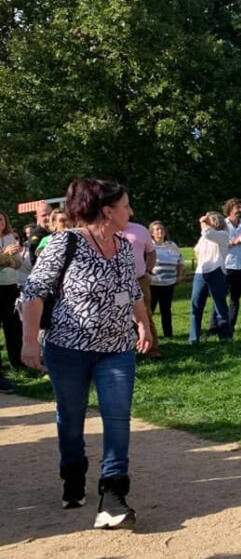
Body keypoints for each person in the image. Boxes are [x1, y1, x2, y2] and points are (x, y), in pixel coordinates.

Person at [19, 178, 153, 529]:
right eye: (126, 205)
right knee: (72, 418)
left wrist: (143, 324)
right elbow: (33, 291)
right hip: (68, 349)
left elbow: (130, 290)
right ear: (107, 210)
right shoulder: (66, 242)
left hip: (116, 349)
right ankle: (73, 475)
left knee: (118, 417)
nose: (131, 211)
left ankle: (113, 494)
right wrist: (30, 340)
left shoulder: (124, 246)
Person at [189, 212, 232, 345]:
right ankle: (193, 338)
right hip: (201, 272)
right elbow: (196, 249)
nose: (206, 223)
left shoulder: (223, 235)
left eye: (209, 221)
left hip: (217, 271)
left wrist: (202, 221)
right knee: (196, 306)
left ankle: (225, 337)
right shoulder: (204, 237)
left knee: (220, 306)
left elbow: (208, 233)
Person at [122, 218, 161, 358]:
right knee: (120, 315)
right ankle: (125, 350)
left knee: (145, 313)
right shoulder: (107, 230)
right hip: (118, 283)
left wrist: (148, 271)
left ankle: (153, 349)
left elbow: (151, 252)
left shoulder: (140, 230)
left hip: (139, 280)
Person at [214, 198, 241, 333]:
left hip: (240, 266)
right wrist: (235, 242)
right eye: (237, 208)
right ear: (230, 209)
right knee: (220, 297)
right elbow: (217, 244)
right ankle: (215, 327)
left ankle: (230, 325)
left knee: (235, 298)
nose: (240, 211)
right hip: (225, 265)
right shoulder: (221, 225)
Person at [0, 211, 24, 393]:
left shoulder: (9, 237)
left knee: (14, 326)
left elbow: (17, 264)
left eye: (1, 219)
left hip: (10, 286)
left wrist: (13, 259)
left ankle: (18, 363)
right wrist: (6, 256)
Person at [148, 221, 185, 338]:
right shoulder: (149, 245)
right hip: (153, 283)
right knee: (150, 310)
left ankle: (168, 334)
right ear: (152, 233)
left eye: (162, 229)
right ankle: (148, 335)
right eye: (157, 229)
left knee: (166, 310)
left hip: (168, 284)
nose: (160, 231)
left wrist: (179, 276)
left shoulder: (172, 245)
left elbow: (180, 262)